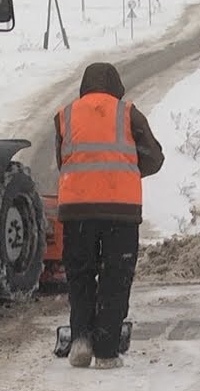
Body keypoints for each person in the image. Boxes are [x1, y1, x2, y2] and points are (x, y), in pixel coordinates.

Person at [55, 62, 164, 369]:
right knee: (115, 278)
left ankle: (80, 341)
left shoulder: (65, 115)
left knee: (80, 276)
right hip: (121, 211)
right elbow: (154, 158)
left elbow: (62, 158)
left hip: (77, 211)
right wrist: (126, 170)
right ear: (116, 85)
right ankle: (106, 352)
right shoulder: (128, 113)